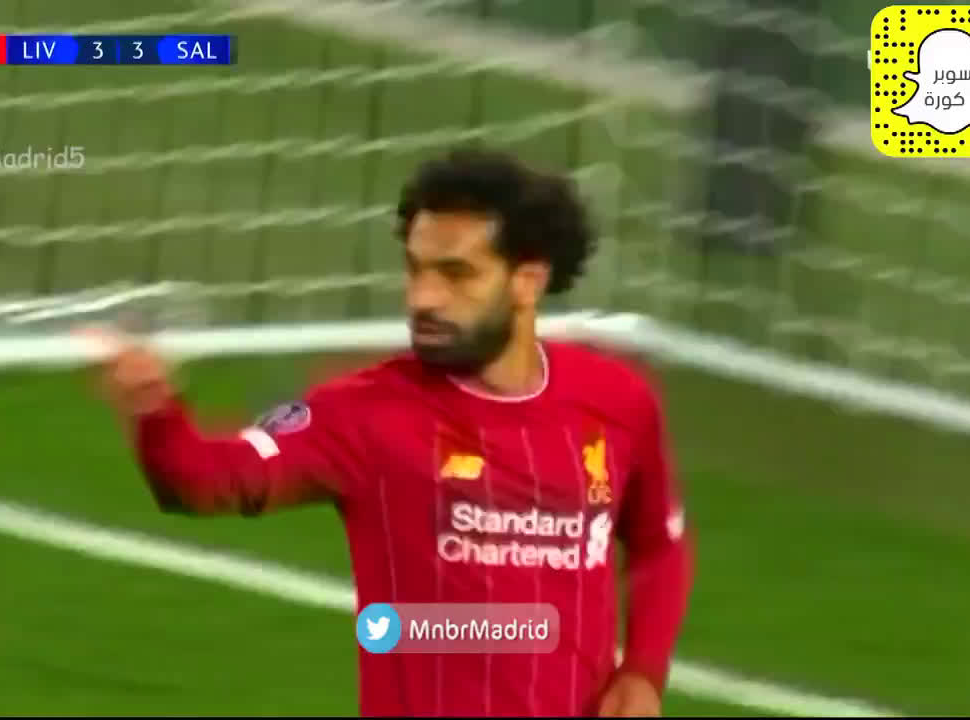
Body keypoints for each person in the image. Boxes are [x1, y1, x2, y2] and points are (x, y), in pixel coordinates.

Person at [88, 147, 693, 717]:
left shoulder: (616, 401)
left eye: (456, 274)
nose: (424, 297)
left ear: (527, 280)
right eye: (416, 269)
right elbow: (202, 479)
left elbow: (659, 544)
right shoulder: (363, 414)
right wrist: (154, 407)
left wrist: (642, 671)